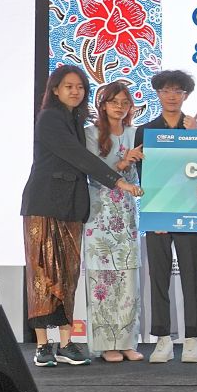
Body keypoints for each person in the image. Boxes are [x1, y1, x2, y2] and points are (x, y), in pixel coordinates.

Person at [21, 65, 142, 368]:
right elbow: (79, 157)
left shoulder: (76, 119)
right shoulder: (50, 118)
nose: (75, 92)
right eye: (68, 86)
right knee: (42, 273)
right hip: (44, 203)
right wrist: (119, 181)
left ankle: (66, 343)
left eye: (80, 87)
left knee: (68, 275)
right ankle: (42, 345)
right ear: (55, 90)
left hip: (73, 206)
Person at [134, 70, 197, 364]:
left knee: (191, 276)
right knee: (158, 278)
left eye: (178, 91)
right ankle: (162, 339)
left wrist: (194, 137)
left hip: (190, 213)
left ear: (186, 95)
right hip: (158, 213)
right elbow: (144, 174)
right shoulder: (146, 131)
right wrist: (157, 209)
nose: (172, 96)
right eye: (166, 90)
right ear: (158, 94)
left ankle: (191, 339)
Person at [83, 82, 145, 362]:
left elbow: (136, 180)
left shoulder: (135, 134)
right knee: (103, 280)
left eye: (124, 102)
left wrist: (131, 165)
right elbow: (92, 174)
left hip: (126, 214)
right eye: (114, 101)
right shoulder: (90, 134)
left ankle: (128, 341)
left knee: (128, 278)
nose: (120, 107)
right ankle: (107, 344)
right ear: (103, 104)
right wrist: (121, 164)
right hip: (99, 216)